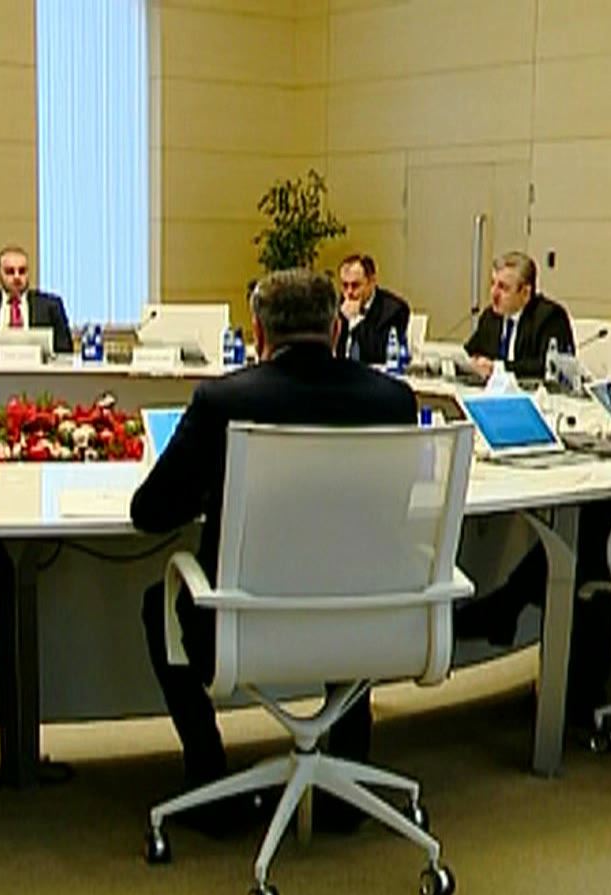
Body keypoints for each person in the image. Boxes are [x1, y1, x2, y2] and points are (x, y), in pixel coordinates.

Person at [131, 269, 417, 835]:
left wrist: (213, 489)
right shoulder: (393, 399)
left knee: (154, 603)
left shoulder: (222, 400)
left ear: (258, 333)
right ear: (335, 330)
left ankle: (209, 781)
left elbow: (151, 513)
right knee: (348, 575)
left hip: (245, 629)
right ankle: (347, 790)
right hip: (365, 626)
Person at [462, 251, 572, 382]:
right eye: (493, 284)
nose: (494, 293)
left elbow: (547, 367)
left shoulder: (550, 317)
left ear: (525, 293)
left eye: (503, 287)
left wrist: (497, 368)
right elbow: (471, 353)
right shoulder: (490, 317)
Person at [0, 245, 73, 355]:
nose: (17, 277)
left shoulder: (51, 306)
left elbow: (65, 352)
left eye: (22, 271)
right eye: (10, 272)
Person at [331, 253, 411, 364]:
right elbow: (334, 351)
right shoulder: (337, 305)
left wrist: (355, 321)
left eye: (355, 285)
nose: (349, 292)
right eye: (345, 285)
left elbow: (378, 355)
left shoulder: (394, 310)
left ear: (372, 282)